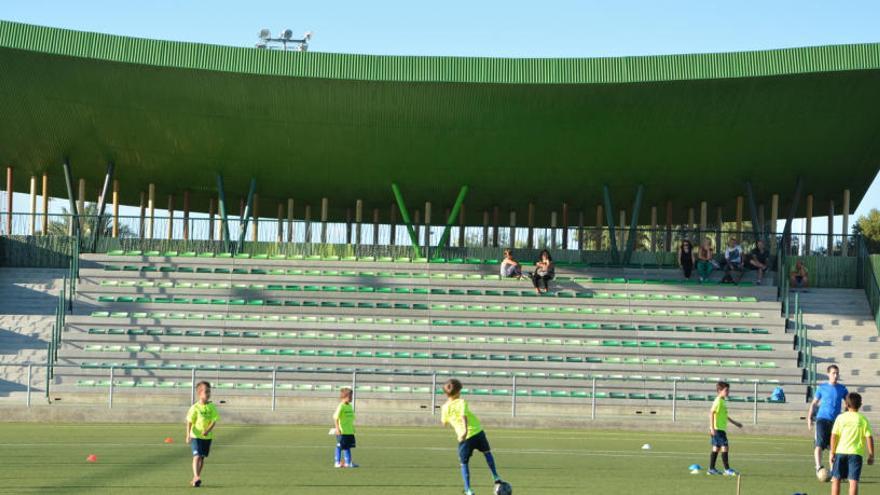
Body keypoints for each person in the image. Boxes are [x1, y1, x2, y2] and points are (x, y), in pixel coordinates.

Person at [441, 378, 504, 495]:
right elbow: (463, 415)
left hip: (464, 438)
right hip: (478, 432)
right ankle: (496, 476)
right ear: (458, 391)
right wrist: (465, 429)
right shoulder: (461, 402)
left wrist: (462, 431)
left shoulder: (445, 407)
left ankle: (468, 489)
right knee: (487, 453)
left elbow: (444, 423)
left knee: (464, 463)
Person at [830, 392, 874, 495]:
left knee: (836, 479)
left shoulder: (840, 418)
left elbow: (834, 436)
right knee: (853, 481)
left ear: (846, 404)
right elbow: (869, 437)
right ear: (860, 405)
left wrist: (832, 452)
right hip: (856, 454)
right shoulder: (863, 419)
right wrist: (871, 454)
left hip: (840, 452)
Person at [809, 364, 849, 475]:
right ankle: (818, 467)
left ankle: (833, 471)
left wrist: (846, 414)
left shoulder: (842, 388)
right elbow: (814, 403)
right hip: (822, 419)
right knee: (819, 444)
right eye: (833, 373)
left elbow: (848, 402)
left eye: (837, 373)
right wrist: (809, 418)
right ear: (828, 374)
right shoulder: (822, 388)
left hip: (836, 422)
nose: (835, 375)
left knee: (834, 447)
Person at [186, 381, 220, 488]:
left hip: (207, 437)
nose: (208, 394)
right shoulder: (195, 407)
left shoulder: (212, 407)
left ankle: (195, 478)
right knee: (196, 456)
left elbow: (214, 421)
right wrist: (187, 435)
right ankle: (196, 476)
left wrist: (207, 431)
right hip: (195, 435)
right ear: (200, 393)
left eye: (209, 391)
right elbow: (189, 421)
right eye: (206, 392)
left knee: (202, 458)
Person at [708, 381, 743, 476]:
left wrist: (735, 423)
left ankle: (711, 469)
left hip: (719, 428)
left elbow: (724, 416)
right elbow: (711, 413)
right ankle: (727, 469)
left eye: (728, 390)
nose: (728, 392)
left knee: (716, 447)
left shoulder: (722, 401)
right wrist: (712, 428)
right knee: (725, 447)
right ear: (719, 391)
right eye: (726, 390)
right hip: (717, 429)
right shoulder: (718, 401)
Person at [333, 387, 358, 468]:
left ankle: (348, 463)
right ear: (345, 396)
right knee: (339, 446)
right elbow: (335, 417)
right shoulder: (341, 406)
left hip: (349, 431)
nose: (351, 398)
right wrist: (337, 428)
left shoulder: (350, 406)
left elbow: (350, 419)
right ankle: (337, 463)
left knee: (348, 447)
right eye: (350, 396)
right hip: (342, 431)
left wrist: (352, 428)